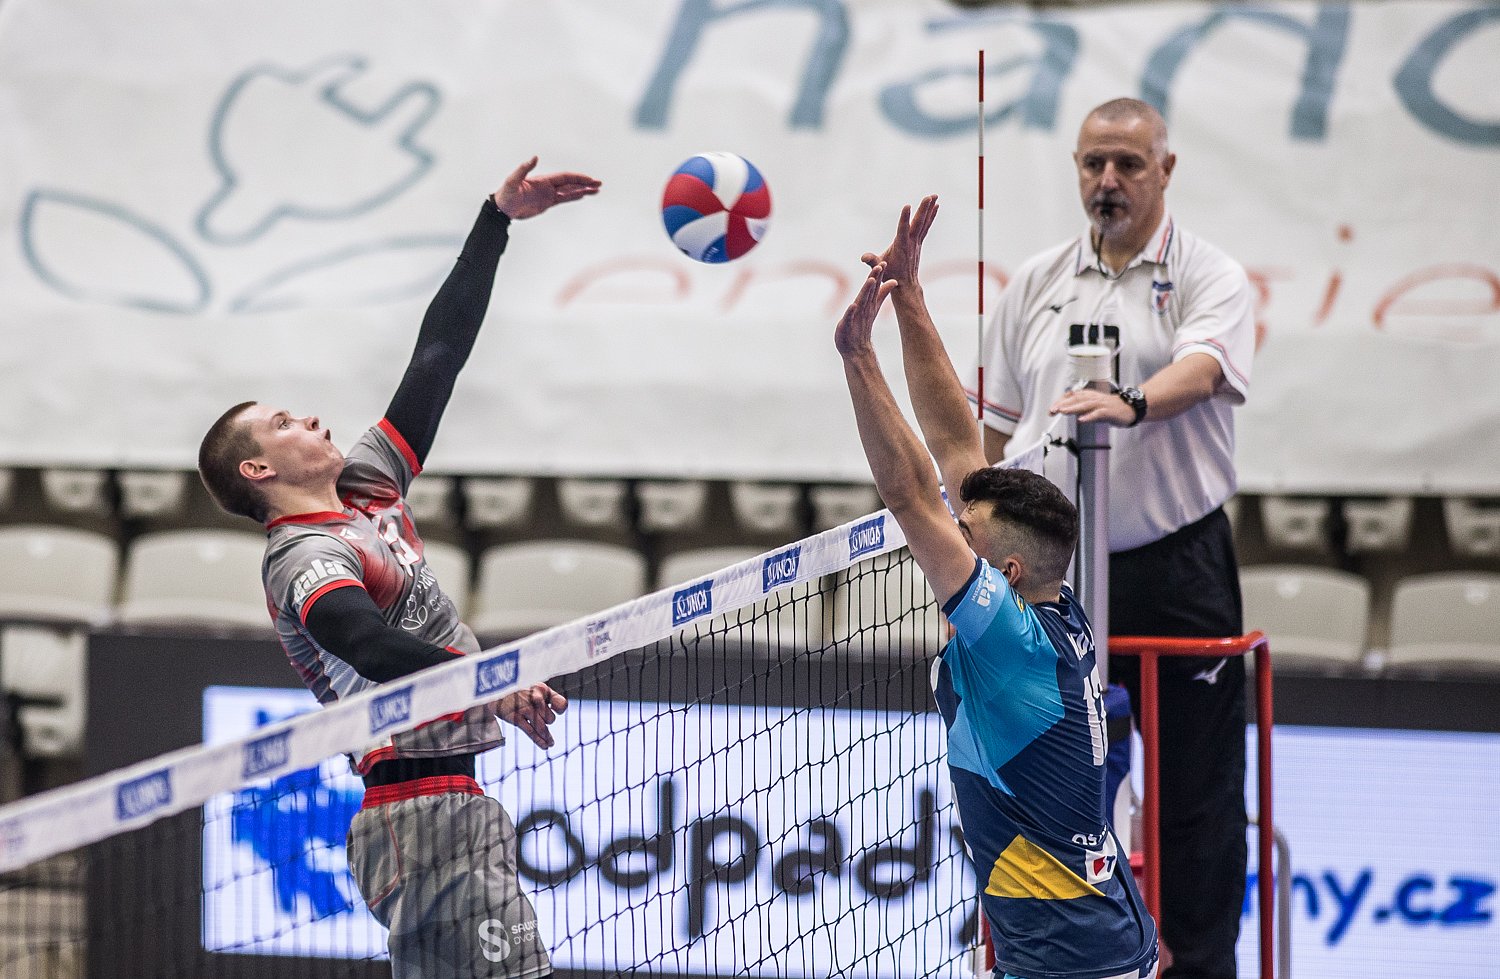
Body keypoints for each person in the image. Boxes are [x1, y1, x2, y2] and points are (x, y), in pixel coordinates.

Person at [196, 156, 600, 979]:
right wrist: (492, 680)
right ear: (258, 469)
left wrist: (495, 221)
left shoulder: (366, 485)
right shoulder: (305, 556)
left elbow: (437, 357)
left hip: (449, 800)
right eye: (284, 422)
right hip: (416, 810)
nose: (311, 418)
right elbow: (370, 645)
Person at [837, 197, 1158, 979]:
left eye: (966, 533)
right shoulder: (1051, 605)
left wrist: (858, 357)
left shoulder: (1011, 639)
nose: (953, 534)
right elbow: (955, 446)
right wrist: (909, 298)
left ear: (1003, 574)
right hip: (1097, 941)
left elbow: (911, 495)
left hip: (1072, 962)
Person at [976, 98, 1255, 979]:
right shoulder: (1035, 282)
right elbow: (993, 436)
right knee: (1045, 785)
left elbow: (1204, 370)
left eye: (1129, 164)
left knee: (1196, 797)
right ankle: (1052, 961)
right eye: (1094, 163)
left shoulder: (1209, 274)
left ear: (1164, 171)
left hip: (1173, 563)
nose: (1109, 181)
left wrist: (1129, 402)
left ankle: (1199, 964)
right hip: (1053, 574)